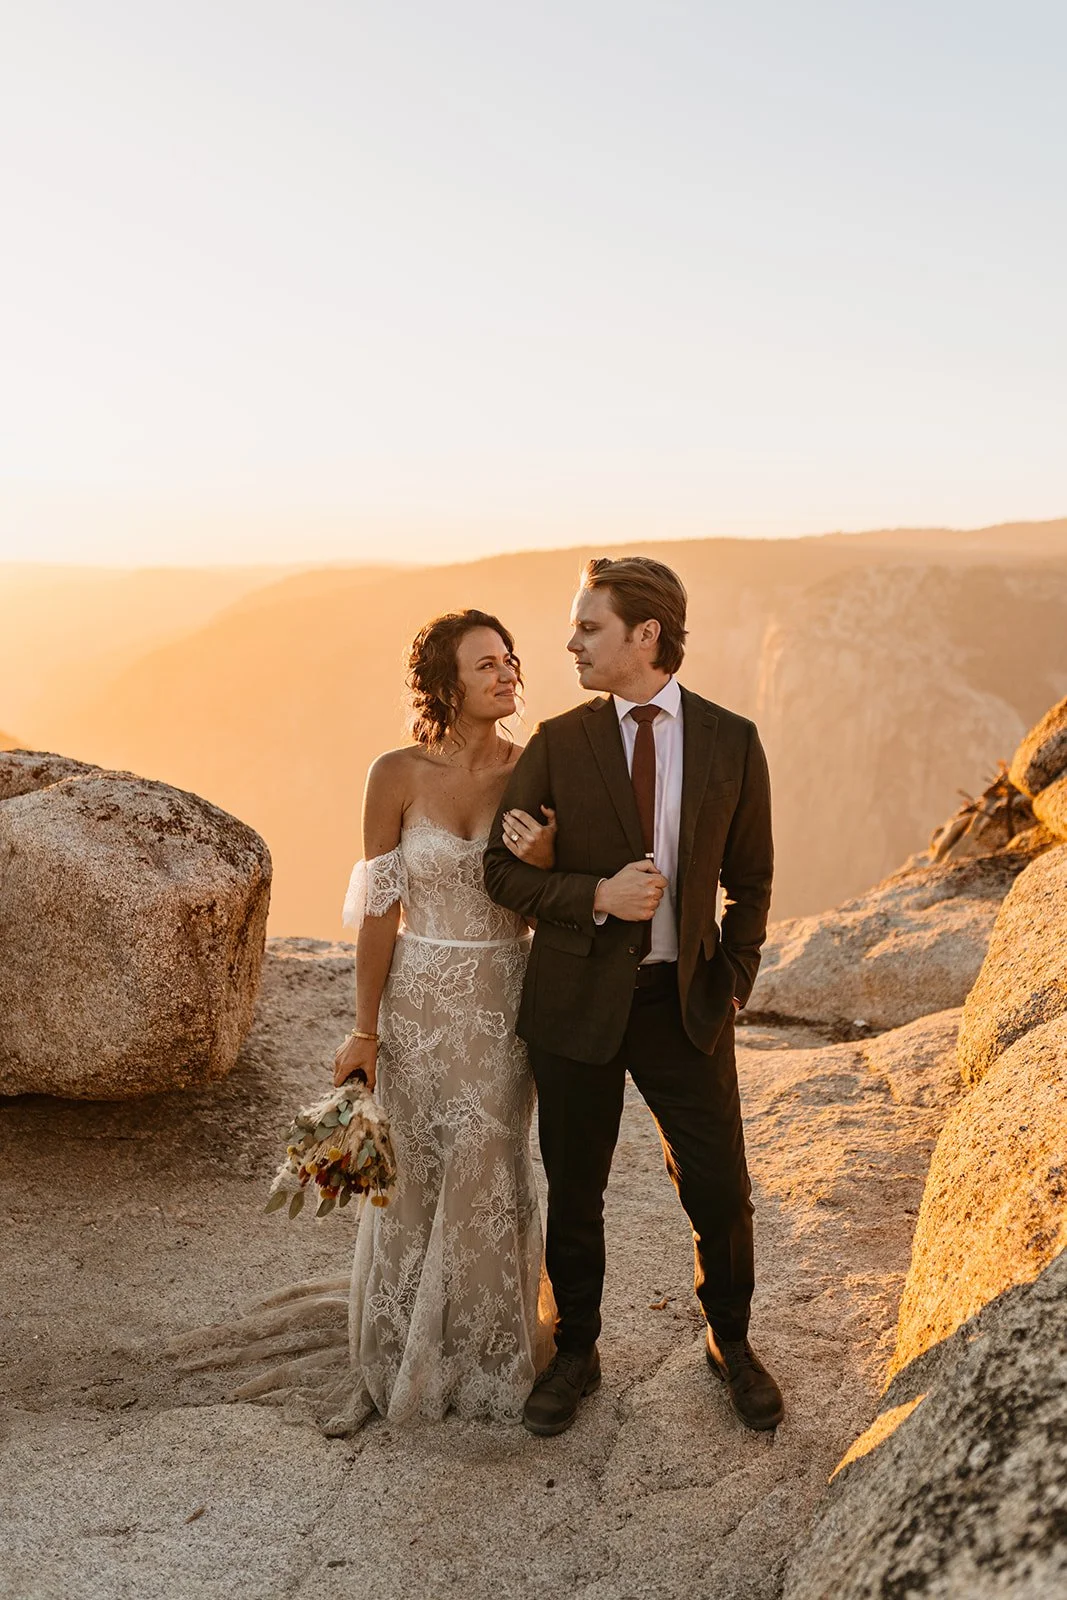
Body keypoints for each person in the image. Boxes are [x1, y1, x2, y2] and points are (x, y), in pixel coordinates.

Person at [169, 609, 555, 1433]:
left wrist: (547, 862)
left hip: (502, 999)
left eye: (510, 660)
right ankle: (404, 1354)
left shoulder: (534, 771)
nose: (507, 672)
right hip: (416, 999)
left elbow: (550, 901)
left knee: (490, 1164)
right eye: (486, 663)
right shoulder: (395, 774)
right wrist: (365, 1028)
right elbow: (380, 909)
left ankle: (488, 1355)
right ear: (447, 683)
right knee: (410, 1172)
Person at [483, 556, 783, 1437]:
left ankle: (729, 1339)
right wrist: (591, 896)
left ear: (645, 634)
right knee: (574, 1189)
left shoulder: (731, 739)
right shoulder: (559, 739)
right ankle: (576, 1351)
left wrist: (733, 978)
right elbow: (498, 869)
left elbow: (752, 878)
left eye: (588, 627)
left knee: (720, 1188)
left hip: (683, 1007)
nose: (569, 643)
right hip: (573, 1002)